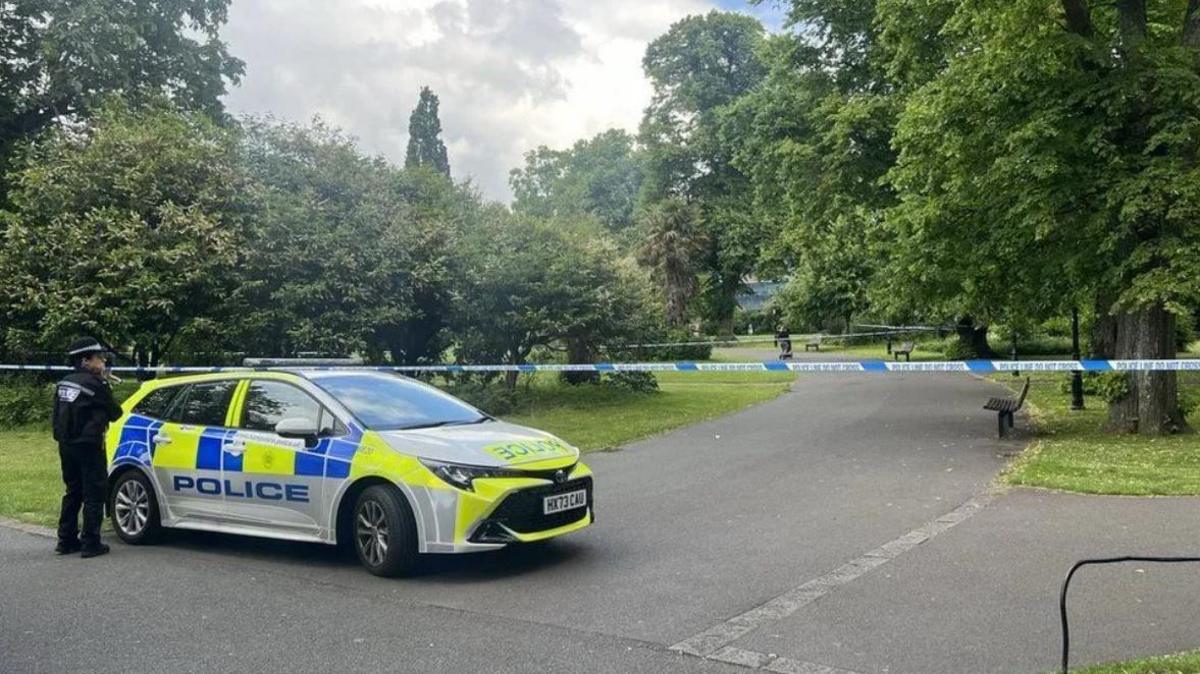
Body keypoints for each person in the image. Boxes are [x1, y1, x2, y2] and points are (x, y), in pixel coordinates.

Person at [52, 337, 122, 558]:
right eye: (99, 358)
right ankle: (91, 543)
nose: (102, 362)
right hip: (90, 445)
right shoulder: (96, 384)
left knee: (73, 491)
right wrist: (105, 382)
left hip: (66, 444)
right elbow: (115, 412)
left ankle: (66, 540)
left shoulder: (64, 383)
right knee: (94, 492)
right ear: (85, 360)